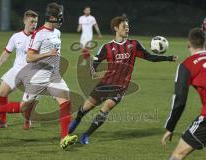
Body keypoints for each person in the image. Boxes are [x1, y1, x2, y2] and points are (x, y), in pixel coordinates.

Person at [69, 16, 178, 144]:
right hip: (104, 84)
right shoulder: (107, 47)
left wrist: (169, 58)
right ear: (116, 28)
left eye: (128, 27)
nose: (127, 29)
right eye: (124, 27)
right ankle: (74, 123)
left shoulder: (134, 45)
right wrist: (93, 65)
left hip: (120, 86)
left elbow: (150, 57)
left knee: (106, 107)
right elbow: (94, 66)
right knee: (85, 108)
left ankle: (86, 135)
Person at [0, 2, 78, 149]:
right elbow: (29, 57)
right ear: (52, 17)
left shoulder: (57, 33)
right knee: (24, 107)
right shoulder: (39, 34)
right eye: (60, 16)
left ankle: (64, 138)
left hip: (54, 75)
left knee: (66, 102)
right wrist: (48, 53)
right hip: (38, 76)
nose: (62, 19)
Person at [162, 28, 206, 160]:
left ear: (188, 44)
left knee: (178, 154)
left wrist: (170, 126)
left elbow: (179, 99)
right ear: (204, 42)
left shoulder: (187, 65)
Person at [0, 10, 38, 128]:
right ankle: (3, 122)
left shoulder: (39, 37)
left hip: (31, 73)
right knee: (2, 93)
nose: (34, 24)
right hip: (16, 70)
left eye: (36, 22)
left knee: (27, 101)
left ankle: (27, 120)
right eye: (32, 21)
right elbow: (6, 53)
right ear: (25, 21)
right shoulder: (16, 37)